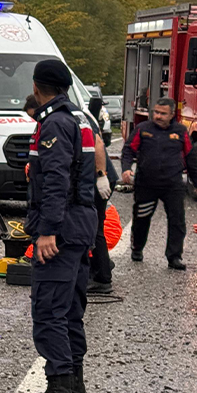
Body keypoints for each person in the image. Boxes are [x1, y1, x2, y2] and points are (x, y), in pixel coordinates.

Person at [17, 60, 98, 393]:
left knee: (49, 309)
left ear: (37, 87)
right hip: (81, 225)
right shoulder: (80, 119)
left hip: (62, 228)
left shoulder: (54, 123)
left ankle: (60, 391)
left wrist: (47, 230)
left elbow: (55, 179)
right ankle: (75, 386)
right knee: (70, 311)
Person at [119, 97, 197, 270]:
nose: (158, 116)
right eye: (156, 112)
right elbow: (128, 150)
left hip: (172, 184)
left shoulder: (181, 132)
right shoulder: (143, 129)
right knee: (142, 218)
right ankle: (137, 248)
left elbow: (191, 158)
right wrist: (126, 168)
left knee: (177, 221)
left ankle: (174, 257)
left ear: (172, 114)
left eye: (162, 113)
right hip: (146, 183)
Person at [84, 97, 117, 294]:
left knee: (94, 228)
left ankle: (103, 278)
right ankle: (101, 267)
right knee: (94, 227)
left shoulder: (72, 117)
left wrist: (101, 175)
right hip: (97, 177)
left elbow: (96, 142)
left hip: (99, 178)